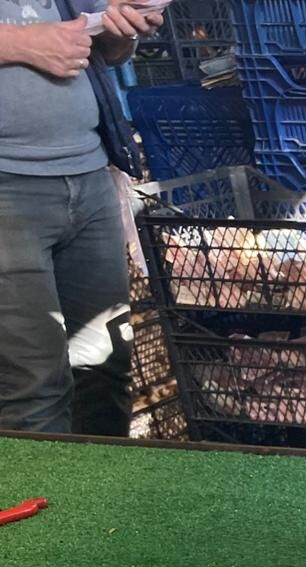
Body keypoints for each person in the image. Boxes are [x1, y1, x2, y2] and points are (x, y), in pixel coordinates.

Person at [0, 0, 164, 435]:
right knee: (32, 387)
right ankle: (46, 502)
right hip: (7, 188)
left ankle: (105, 500)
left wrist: (121, 26)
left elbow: (105, 47)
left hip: (89, 173)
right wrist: (17, 43)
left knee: (105, 369)